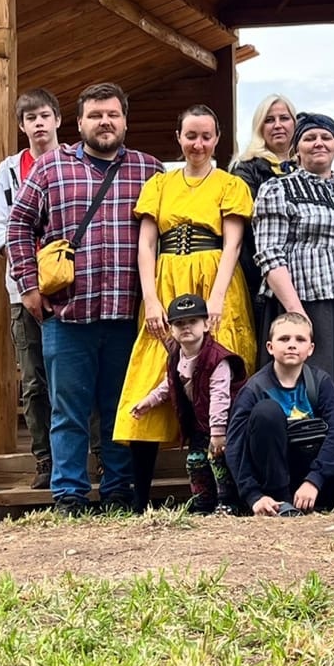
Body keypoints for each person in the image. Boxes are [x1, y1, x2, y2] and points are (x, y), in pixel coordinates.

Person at [5, 82, 161, 512]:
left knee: (119, 409)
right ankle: (69, 494)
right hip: (66, 315)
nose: (104, 122)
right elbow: (18, 227)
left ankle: (117, 490)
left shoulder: (150, 171)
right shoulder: (51, 168)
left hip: (126, 315)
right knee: (67, 411)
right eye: (95, 115)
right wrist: (29, 287)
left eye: (112, 114)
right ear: (79, 123)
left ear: (125, 120)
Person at [114, 104, 257, 507]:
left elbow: (233, 243)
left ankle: (232, 492)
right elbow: (146, 244)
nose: (198, 144)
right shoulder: (160, 185)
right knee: (151, 374)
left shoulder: (230, 185)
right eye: (191, 135)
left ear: (217, 139)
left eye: (206, 136)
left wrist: (215, 297)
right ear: (179, 137)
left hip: (215, 280)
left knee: (221, 375)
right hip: (166, 281)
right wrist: (152, 298)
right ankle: (139, 497)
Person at [254, 111, 334, 477]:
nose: (319, 144)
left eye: (326, 137)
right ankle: (303, 473)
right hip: (305, 302)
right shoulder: (277, 189)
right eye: (309, 138)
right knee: (307, 388)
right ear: (296, 148)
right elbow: (269, 253)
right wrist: (295, 314)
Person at [0, 86, 61, 483]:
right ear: (21, 126)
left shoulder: (73, 164)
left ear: (59, 121)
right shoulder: (9, 172)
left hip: (70, 291)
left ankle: (94, 458)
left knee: (78, 376)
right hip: (22, 291)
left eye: (45, 116)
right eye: (31, 118)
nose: (39, 124)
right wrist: (30, 275)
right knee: (34, 381)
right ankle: (44, 461)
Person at [225, 310, 334, 515]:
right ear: (270, 347)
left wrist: (314, 481)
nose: (292, 344)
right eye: (284, 339)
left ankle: (306, 501)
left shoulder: (320, 382)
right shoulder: (253, 389)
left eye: (300, 339)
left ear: (311, 348)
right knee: (267, 412)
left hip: (309, 466)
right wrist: (252, 495)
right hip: (271, 473)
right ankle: (279, 502)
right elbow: (235, 446)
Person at [121, 292, 247, 513]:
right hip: (199, 425)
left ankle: (228, 503)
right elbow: (170, 384)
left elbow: (220, 397)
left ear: (207, 324)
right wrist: (149, 402)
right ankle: (203, 503)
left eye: (193, 321)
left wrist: (218, 433)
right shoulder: (177, 355)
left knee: (219, 462)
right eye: (179, 323)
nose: (186, 327)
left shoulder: (217, 359)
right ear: (172, 329)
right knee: (195, 461)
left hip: (224, 425)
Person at [231, 92, 298, 328]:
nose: (278, 125)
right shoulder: (246, 169)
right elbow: (251, 224)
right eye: (269, 120)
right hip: (261, 275)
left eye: (284, 118)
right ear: (259, 126)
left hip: (308, 272)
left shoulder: (309, 166)